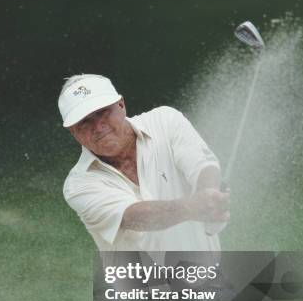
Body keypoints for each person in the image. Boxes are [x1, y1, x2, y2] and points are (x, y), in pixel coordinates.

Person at [58, 74, 230, 254]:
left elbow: (202, 166)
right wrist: (194, 207)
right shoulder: (78, 185)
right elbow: (134, 217)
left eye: (103, 112)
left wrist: (209, 194)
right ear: (73, 131)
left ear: (121, 105)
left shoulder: (166, 120)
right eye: (85, 121)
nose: (98, 126)